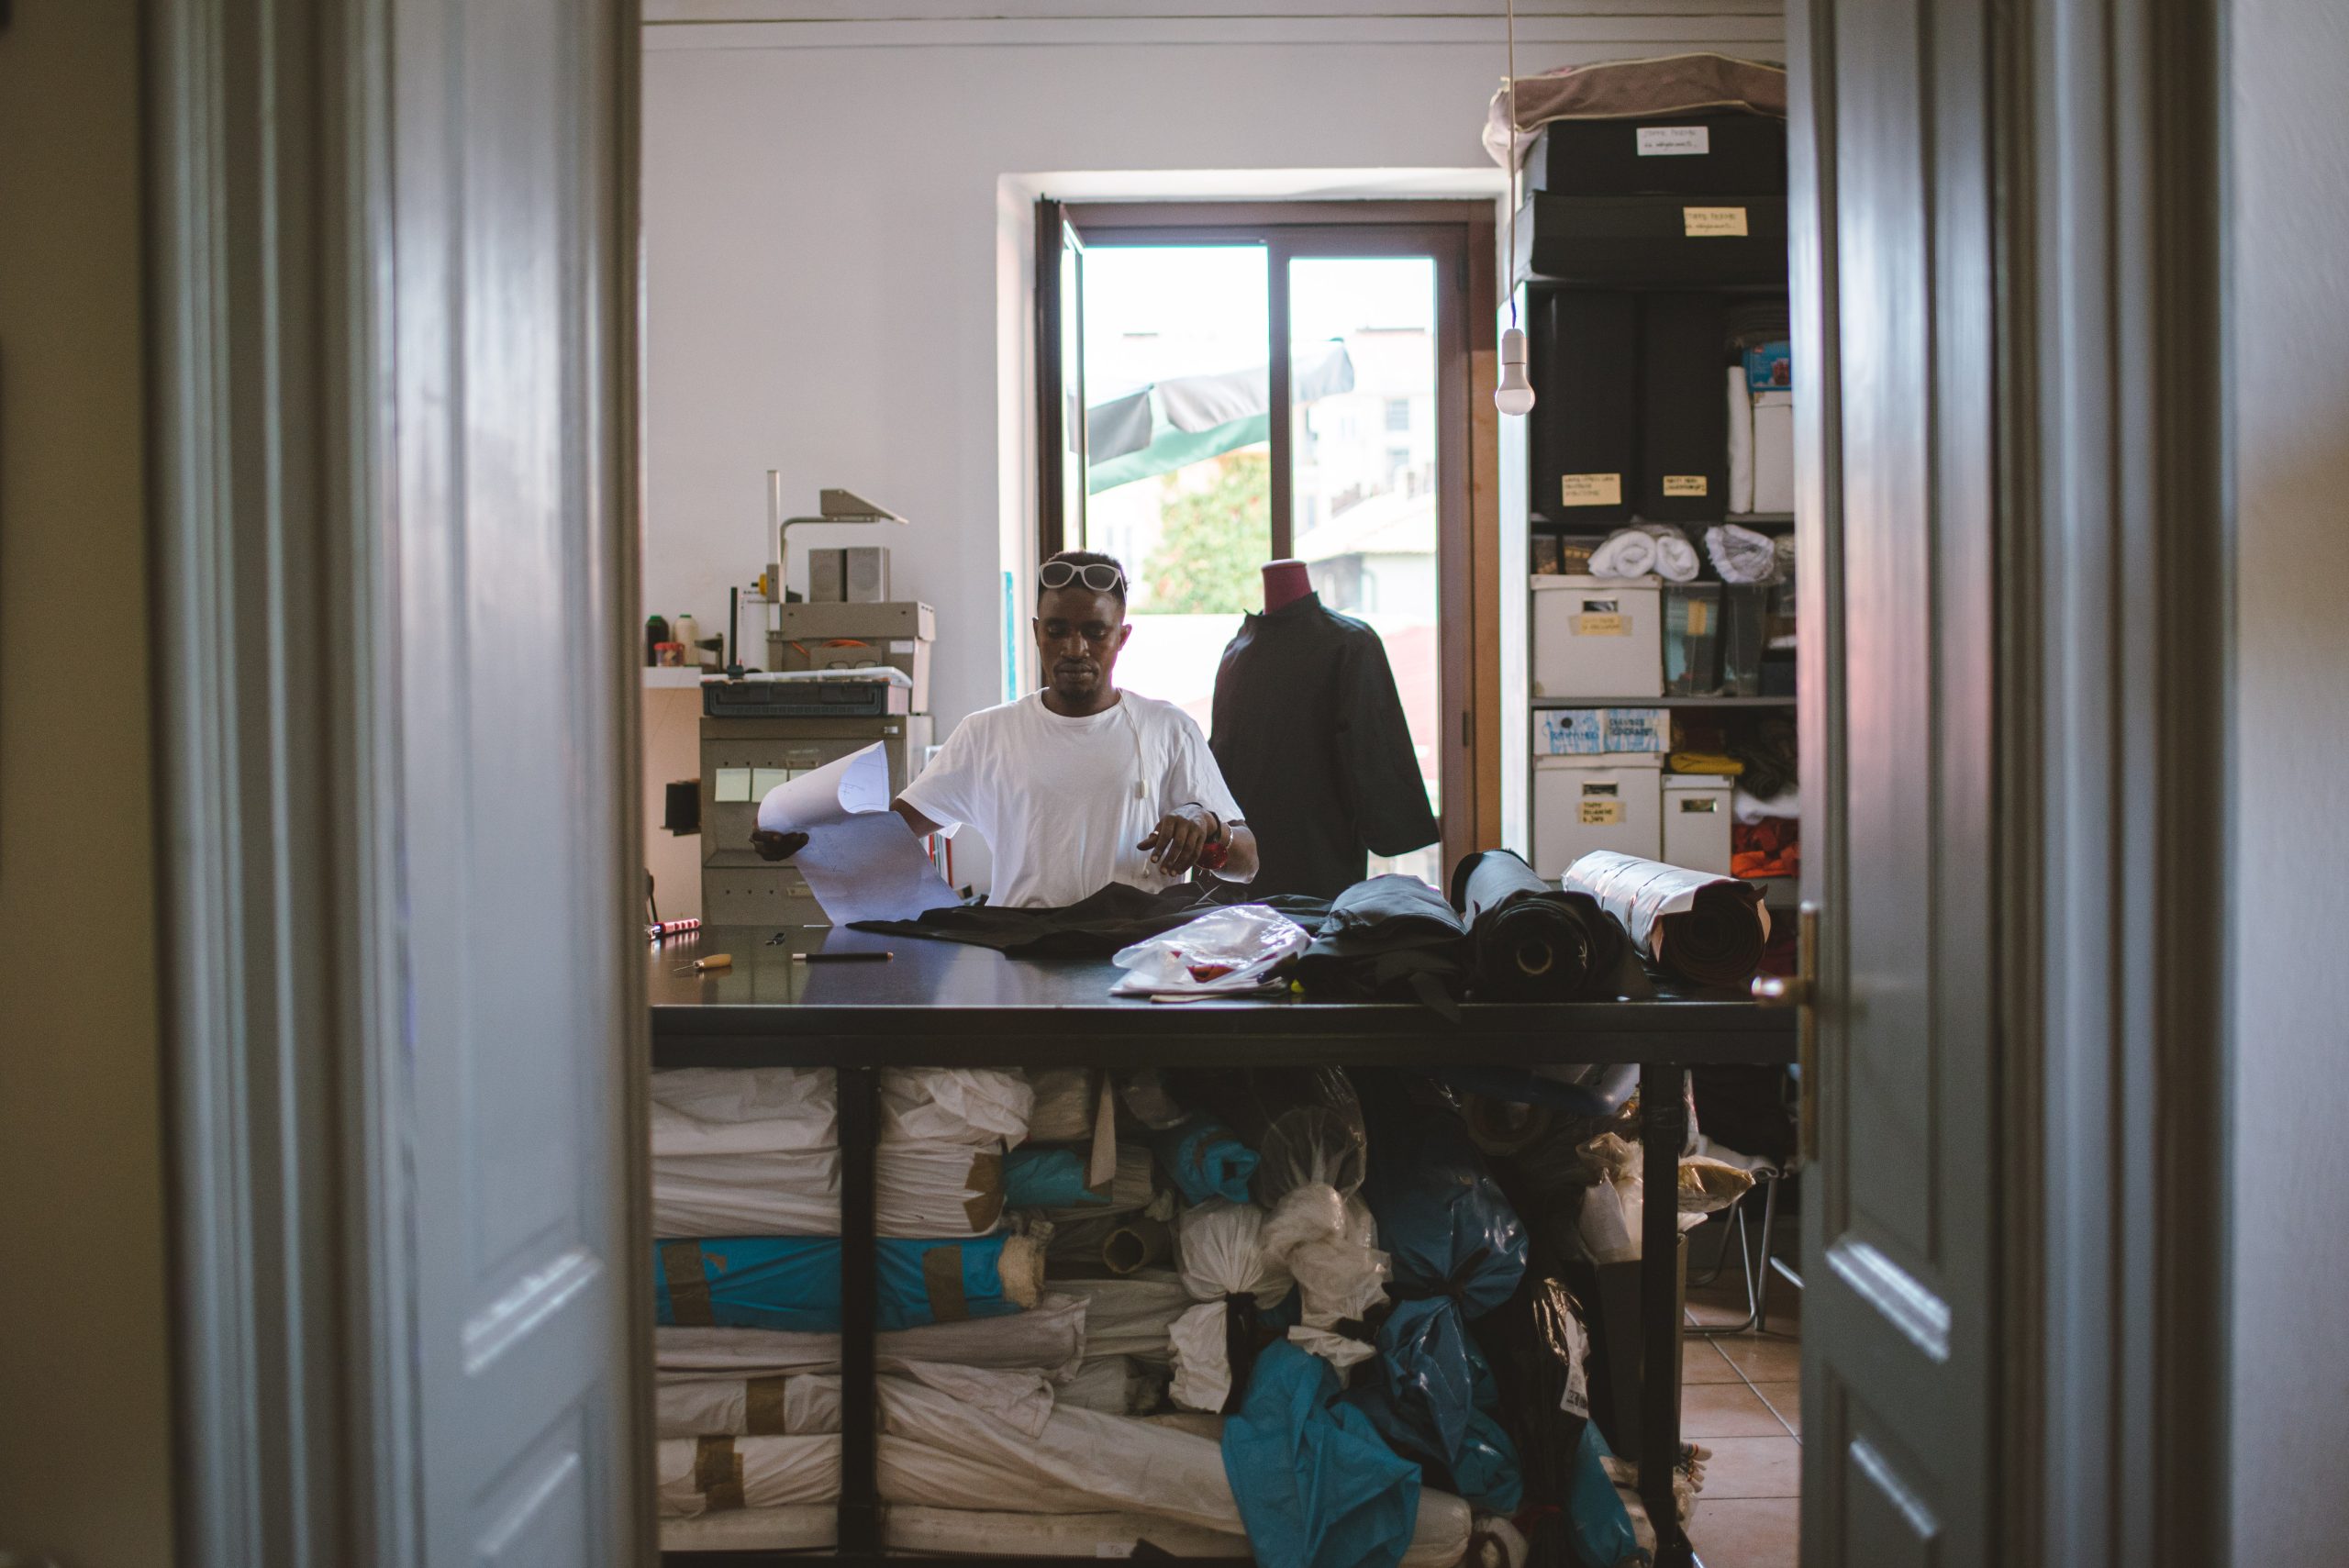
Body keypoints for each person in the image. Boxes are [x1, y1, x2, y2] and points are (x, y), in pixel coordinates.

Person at [751, 550, 1259, 908]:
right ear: (1037, 633)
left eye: (1095, 632)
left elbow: (1246, 864)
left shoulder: (1167, 729)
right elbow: (892, 835)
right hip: (1024, 955)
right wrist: (810, 838)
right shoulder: (987, 734)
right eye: (1057, 631)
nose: (1075, 648)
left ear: (1121, 636)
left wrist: (1207, 824)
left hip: (1135, 959)